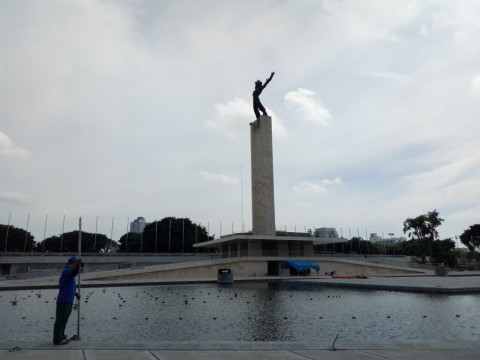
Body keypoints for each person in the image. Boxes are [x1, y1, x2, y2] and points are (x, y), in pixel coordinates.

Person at [53, 256, 81, 345]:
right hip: (64, 300)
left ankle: (62, 336)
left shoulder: (70, 272)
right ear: (72, 263)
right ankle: (57, 339)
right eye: (75, 264)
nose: (76, 266)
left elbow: (70, 287)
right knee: (61, 320)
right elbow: (74, 273)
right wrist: (78, 266)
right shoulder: (67, 271)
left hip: (68, 300)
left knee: (64, 319)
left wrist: (76, 294)